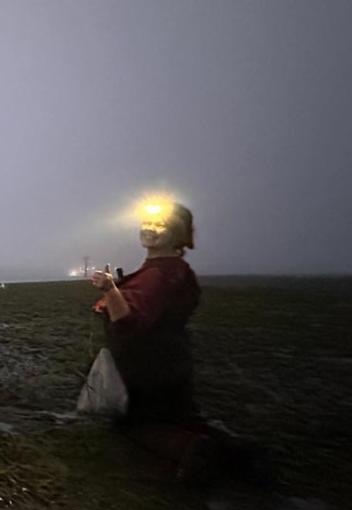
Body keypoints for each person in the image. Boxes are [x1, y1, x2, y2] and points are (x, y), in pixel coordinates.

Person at [91, 202, 252, 483]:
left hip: (149, 368)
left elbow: (128, 321)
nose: (150, 229)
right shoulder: (170, 269)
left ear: (178, 234)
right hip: (171, 363)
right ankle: (233, 453)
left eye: (161, 225)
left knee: (135, 424)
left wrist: (110, 290)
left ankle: (192, 451)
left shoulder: (161, 273)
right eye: (147, 222)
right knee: (179, 417)